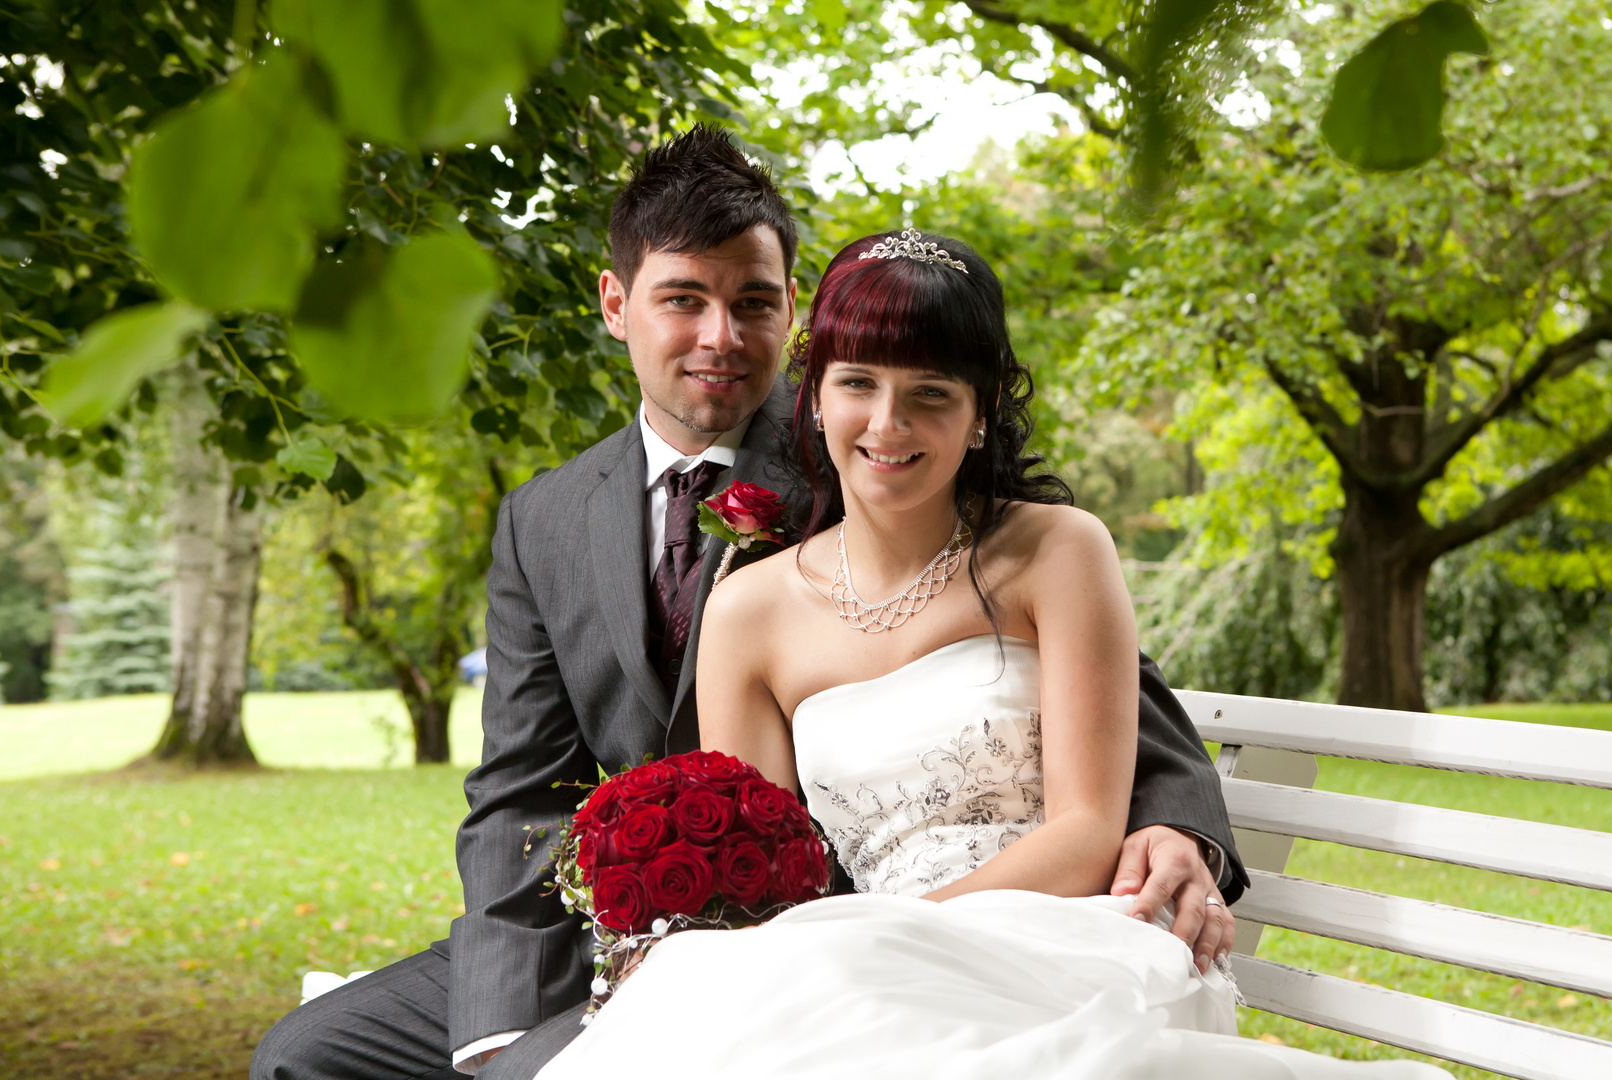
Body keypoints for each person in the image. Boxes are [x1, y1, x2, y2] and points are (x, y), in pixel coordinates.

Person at [251, 126, 1244, 1080]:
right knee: (308, 1055)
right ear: (615, 303)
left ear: (791, 316)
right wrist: (502, 1013)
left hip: (844, 936)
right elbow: (521, 787)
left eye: (754, 302)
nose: (720, 336)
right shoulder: (542, 520)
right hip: (623, 930)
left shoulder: (878, 460)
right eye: (683, 299)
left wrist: (1179, 826)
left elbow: (1098, 702)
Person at [532, 230, 1447, 1079]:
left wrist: (882, 937)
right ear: (813, 399)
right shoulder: (747, 611)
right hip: (849, 962)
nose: (888, 424)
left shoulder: (1055, 551)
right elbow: (771, 871)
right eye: (858, 383)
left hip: (1069, 939)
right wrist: (819, 945)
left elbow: (1087, 830)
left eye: (930, 394)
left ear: (978, 417)